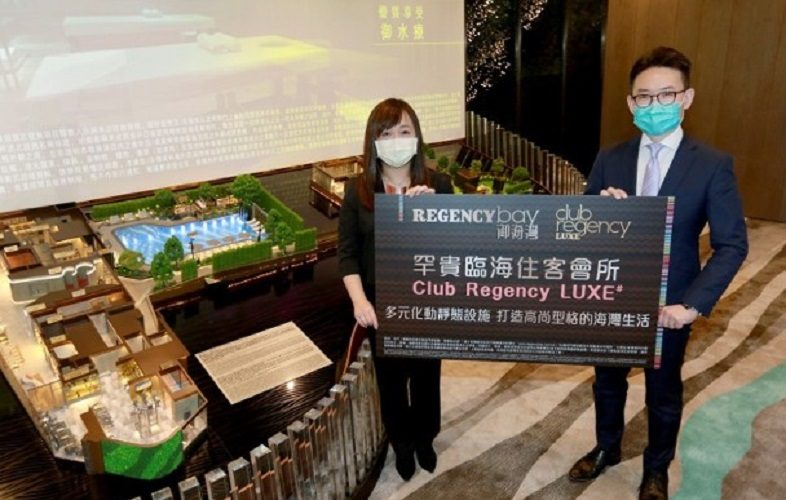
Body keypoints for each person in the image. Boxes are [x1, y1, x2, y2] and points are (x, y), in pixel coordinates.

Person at [567, 47, 748, 499]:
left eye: (666, 94)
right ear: (631, 103)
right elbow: (579, 227)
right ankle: (607, 447)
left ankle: (656, 468)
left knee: (662, 393)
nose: (655, 105)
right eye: (644, 97)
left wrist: (692, 305)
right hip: (612, 298)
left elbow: (732, 244)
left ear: (686, 98)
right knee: (607, 382)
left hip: (671, 306)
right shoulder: (611, 157)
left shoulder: (711, 164)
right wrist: (597, 213)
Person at [338, 97, 452, 481]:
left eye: (405, 130)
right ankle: (401, 442)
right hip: (380, 304)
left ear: (417, 136)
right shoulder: (357, 191)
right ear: (373, 140)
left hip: (426, 301)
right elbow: (347, 255)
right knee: (390, 379)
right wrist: (359, 301)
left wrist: (437, 214)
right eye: (386, 133)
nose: (397, 140)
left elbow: (457, 249)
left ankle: (425, 437)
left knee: (426, 374)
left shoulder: (438, 185)